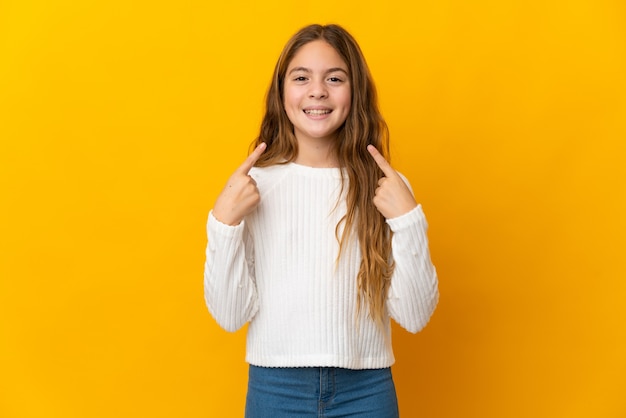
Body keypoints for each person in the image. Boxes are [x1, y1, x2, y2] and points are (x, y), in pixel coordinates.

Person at [204, 23, 439, 417]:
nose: (317, 91)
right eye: (301, 77)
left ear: (355, 92)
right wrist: (223, 225)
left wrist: (408, 220)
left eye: (334, 78)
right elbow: (229, 316)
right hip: (275, 388)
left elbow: (415, 317)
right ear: (282, 93)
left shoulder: (387, 188)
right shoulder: (252, 187)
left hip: (366, 389)